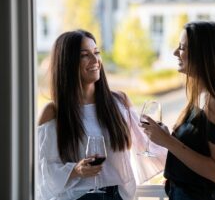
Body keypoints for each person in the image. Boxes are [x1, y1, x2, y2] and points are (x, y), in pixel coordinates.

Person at [37, 29, 166, 200]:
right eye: (85, 55)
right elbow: (43, 169)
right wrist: (76, 170)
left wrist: (168, 143)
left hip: (118, 195)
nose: (95, 60)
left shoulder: (119, 102)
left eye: (96, 52)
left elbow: (147, 146)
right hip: (78, 197)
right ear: (67, 62)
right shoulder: (53, 112)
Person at [141, 21, 215, 200]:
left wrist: (168, 141)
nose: (176, 53)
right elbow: (196, 151)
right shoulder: (200, 97)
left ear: (202, 55)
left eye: (182, 48)